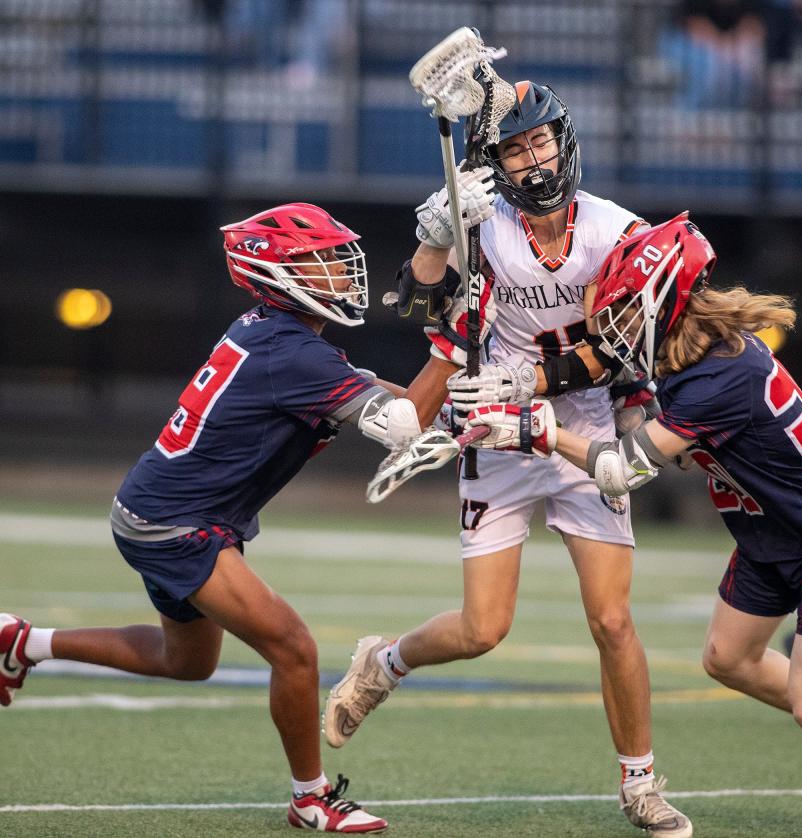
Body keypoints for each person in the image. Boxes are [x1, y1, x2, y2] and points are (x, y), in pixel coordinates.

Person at [0, 202, 485, 834]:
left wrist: (448, 404)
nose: (342, 275)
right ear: (276, 274)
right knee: (295, 648)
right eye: (322, 263)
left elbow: (367, 387)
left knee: (188, 663)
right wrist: (451, 345)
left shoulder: (275, 335)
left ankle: (20, 643)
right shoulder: (291, 352)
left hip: (159, 509)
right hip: (178, 522)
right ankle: (309, 798)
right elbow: (399, 427)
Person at [462, 215, 802, 838]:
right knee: (728, 659)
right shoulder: (690, 353)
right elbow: (670, 444)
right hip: (770, 530)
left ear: (661, 303)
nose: (612, 323)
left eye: (624, 309)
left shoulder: (718, 376)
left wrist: (535, 430)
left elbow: (622, 470)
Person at [324, 80, 693, 837]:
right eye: (514, 149)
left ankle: (641, 783)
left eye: (540, 142)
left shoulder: (616, 232)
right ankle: (383, 663)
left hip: (579, 427)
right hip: (495, 427)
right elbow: (421, 311)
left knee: (613, 620)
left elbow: (624, 345)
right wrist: (433, 243)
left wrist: (537, 380)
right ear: (495, 161)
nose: (532, 160)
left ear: (564, 140)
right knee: (482, 627)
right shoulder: (483, 223)